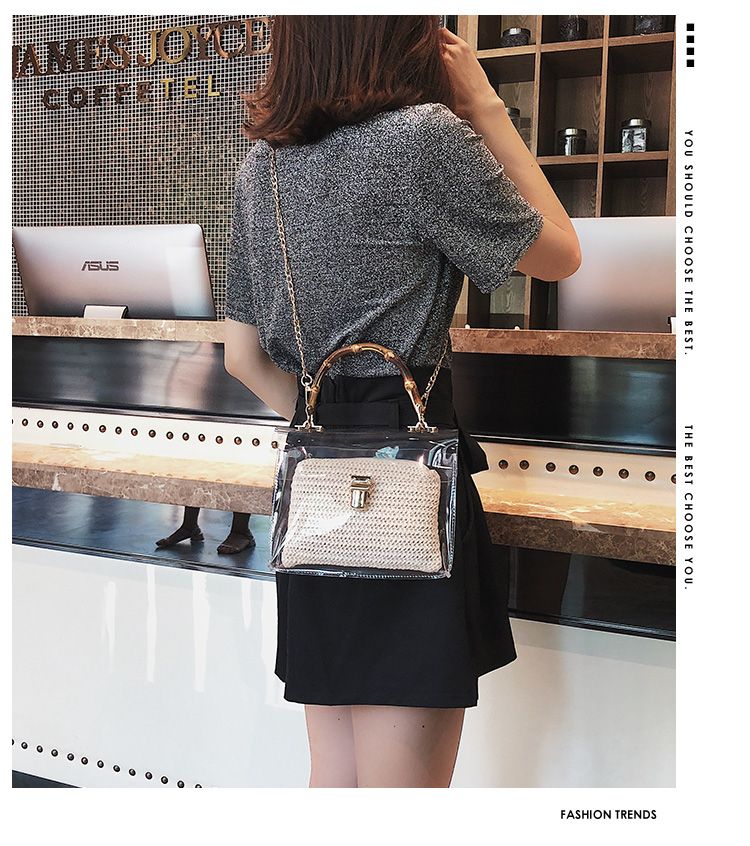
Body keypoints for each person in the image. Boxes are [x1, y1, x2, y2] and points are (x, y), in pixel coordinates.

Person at [223, 16, 581, 788]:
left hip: (315, 485)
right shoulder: (421, 138)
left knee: (337, 774)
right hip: (412, 479)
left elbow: (242, 358)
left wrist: (337, 429)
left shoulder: (260, 167)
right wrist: (484, 104)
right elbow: (561, 254)